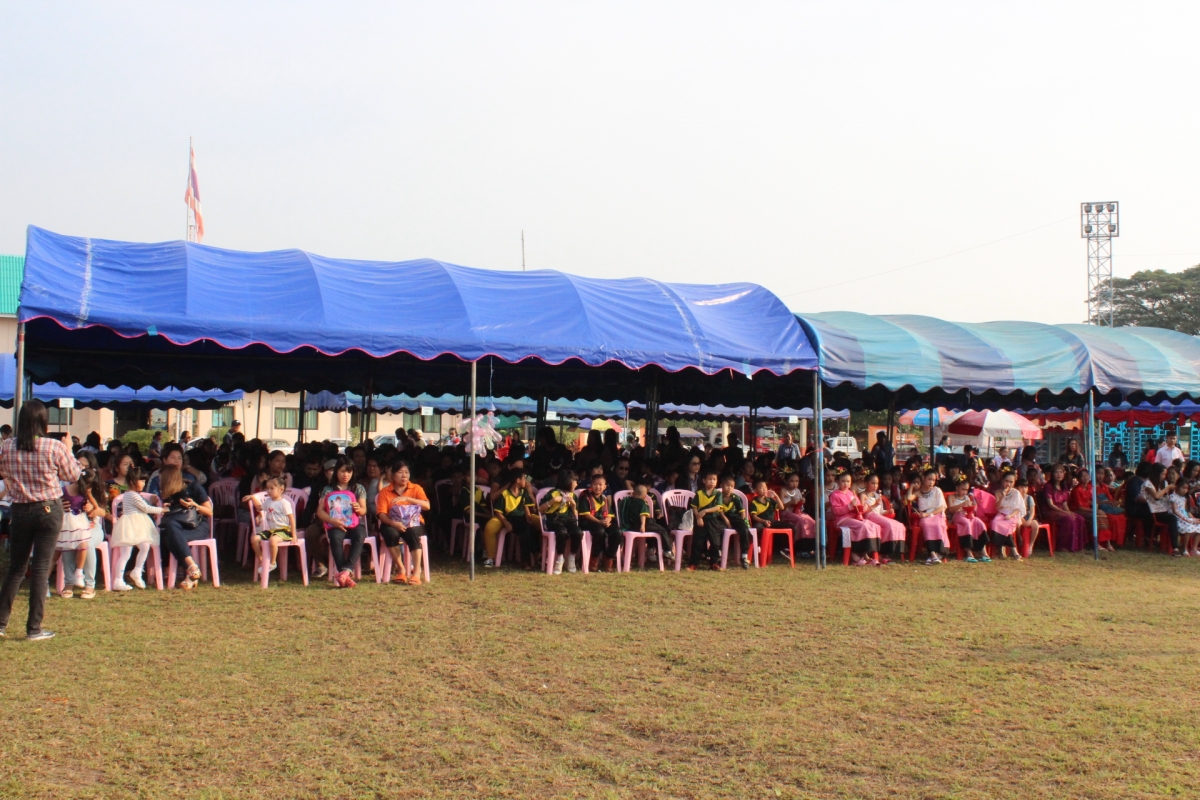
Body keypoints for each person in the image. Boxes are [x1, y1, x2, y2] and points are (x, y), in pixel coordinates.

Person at [0, 400, 83, 640]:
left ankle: (1, 623)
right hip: (48, 508)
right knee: (40, 568)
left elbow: (5, 473)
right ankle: (34, 628)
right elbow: (73, 474)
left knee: (16, 568)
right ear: (43, 421)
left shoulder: (8, 446)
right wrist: (69, 449)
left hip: (20, 509)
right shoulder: (54, 446)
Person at [60, 451, 109, 598]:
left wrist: (93, 509)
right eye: (78, 465)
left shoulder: (95, 486)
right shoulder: (67, 487)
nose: (81, 469)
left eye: (85, 466)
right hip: (72, 526)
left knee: (87, 542)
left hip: (93, 527)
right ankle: (69, 582)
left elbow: (103, 512)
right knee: (68, 541)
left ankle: (89, 585)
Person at [157, 464, 214, 590]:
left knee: (169, 537)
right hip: (179, 528)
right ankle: (192, 567)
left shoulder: (194, 487)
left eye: (161, 479)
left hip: (198, 526)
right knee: (170, 527)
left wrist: (194, 505)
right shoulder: (170, 494)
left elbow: (209, 512)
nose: (160, 483)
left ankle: (190, 571)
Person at [110, 467, 165, 591]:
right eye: (142, 481)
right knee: (125, 554)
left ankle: (137, 570)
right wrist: (162, 510)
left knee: (145, 546)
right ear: (133, 481)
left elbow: (143, 504)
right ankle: (118, 580)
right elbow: (146, 508)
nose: (144, 484)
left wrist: (152, 501)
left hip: (138, 526)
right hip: (129, 527)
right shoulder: (131, 495)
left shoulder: (134, 495)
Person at [376, 458, 429, 584]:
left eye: (406, 472)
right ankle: (401, 569)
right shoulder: (385, 492)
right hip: (392, 523)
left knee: (413, 532)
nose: (404, 475)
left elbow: (427, 506)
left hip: (413, 523)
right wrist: (393, 523)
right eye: (400, 472)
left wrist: (408, 499)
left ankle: (416, 572)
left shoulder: (416, 488)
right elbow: (381, 514)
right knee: (390, 533)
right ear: (393, 475)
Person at [318, 456, 369, 587]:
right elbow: (320, 511)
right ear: (336, 472)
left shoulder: (358, 488)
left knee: (360, 535)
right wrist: (332, 521)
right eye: (342, 471)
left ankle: (345, 572)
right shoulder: (328, 489)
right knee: (335, 537)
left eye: (349, 471)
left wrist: (358, 508)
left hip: (355, 523)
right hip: (335, 523)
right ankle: (345, 574)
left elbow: (364, 510)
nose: (346, 474)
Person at [828, 469, 881, 566]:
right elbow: (836, 511)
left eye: (848, 481)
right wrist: (849, 506)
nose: (846, 483)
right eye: (843, 481)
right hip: (842, 520)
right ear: (837, 481)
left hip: (854, 518)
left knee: (873, 526)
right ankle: (855, 554)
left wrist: (864, 507)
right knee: (862, 526)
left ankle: (868, 554)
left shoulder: (851, 493)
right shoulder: (834, 495)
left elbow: (859, 507)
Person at [250, 476, 296, 575]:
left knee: (273, 540)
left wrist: (294, 534)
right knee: (254, 539)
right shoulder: (268, 501)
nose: (269, 491)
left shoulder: (284, 503)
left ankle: (273, 562)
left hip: (283, 530)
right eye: (267, 488)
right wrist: (253, 497)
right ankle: (262, 560)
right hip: (272, 531)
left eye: (272, 488)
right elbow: (259, 508)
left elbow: (292, 519)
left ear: (281, 490)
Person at [620, 482, 673, 567]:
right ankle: (667, 550)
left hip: (628, 526)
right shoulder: (642, 503)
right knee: (662, 530)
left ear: (633, 493)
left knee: (653, 523)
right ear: (645, 496)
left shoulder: (626, 501)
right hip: (640, 525)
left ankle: (627, 560)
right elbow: (643, 515)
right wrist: (642, 525)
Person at [539, 470, 582, 574]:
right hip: (553, 519)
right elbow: (540, 509)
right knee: (561, 532)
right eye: (575, 481)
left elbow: (575, 514)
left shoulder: (573, 495)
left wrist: (573, 505)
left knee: (578, 532)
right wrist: (552, 501)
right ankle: (560, 558)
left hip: (568, 519)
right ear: (567, 481)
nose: (576, 484)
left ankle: (571, 557)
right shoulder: (553, 493)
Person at [858, 473, 906, 563]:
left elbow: (880, 512)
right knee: (889, 525)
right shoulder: (863, 495)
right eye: (872, 483)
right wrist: (875, 504)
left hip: (878, 516)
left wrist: (888, 511)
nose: (875, 486)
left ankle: (891, 552)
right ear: (866, 483)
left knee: (899, 525)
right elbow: (862, 510)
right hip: (869, 516)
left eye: (876, 483)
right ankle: (883, 553)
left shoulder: (877, 495)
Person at [906, 468, 949, 565]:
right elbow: (909, 497)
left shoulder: (937, 490)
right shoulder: (919, 492)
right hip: (925, 518)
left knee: (938, 525)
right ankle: (933, 554)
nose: (931, 482)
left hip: (937, 515)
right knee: (926, 524)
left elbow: (942, 507)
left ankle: (937, 554)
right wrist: (912, 486)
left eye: (933, 480)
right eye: (929, 479)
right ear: (923, 478)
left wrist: (929, 514)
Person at [1040, 464, 1087, 552]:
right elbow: (1050, 505)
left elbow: (1065, 504)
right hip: (1050, 511)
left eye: (1061, 472)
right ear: (1052, 474)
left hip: (1061, 510)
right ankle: (1064, 546)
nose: (1059, 475)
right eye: (1056, 472)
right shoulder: (1048, 486)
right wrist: (1066, 513)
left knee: (1080, 519)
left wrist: (1070, 512)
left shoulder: (1064, 487)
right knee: (1068, 519)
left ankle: (1078, 546)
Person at [579, 473, 619, 572]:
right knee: (600, 531)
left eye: (600, 485)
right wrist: (600, 522)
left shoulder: (604, 499)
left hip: (602, 522)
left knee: (617, 532)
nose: (598, 487)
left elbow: (610, 514)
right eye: (595, 484)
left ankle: (609, 557)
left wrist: (608, 520)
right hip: (589, 522)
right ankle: (595, 556)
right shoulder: (586, 497)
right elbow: (586, 515)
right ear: (591, 485)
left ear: (605, 487)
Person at [688, 470, 726, 571]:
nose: (712, 482)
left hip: (713, 520)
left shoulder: (718, 494)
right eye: (710, 479)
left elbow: (718, 507)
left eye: (714, 479)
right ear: (704, 481)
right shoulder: (699, 493)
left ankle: (714, 563)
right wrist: (698, 517)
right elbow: (694, 507)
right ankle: (693, 563)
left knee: (715, 542)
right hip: (701, 521)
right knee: (698, 542)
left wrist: (705, 511)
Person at [947, 476, 990, 562]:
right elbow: (950, 510)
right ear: (957, 488)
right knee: (967, 524)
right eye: (962, 489)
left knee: (980, 523)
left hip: (968, 515)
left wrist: (973, 505)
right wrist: (962, 504)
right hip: (958, 516)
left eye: (966, 490)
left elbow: (972, 510)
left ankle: (983, 552)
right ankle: (969, 553)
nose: (964, 492)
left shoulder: (967, 497)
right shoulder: (951, 497)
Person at [777, 471, 816, 557]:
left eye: (797, 481)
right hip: (786, 513)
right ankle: (799, 547)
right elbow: (781, 507)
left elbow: (800, 506)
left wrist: (802, 501)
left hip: (797, 512)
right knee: (800, 521)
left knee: (811, 521)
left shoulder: (797, 491)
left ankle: (810, 547)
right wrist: (790, 502)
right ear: (786, 481)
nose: (794, 483)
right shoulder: (783, 490)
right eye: (792, 481)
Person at [718, 475, 753, 569]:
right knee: (719, 530)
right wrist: (727, 522)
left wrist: (743, 521)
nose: (729, 488)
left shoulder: (735, 498)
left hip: (734, 518)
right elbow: (720, 512)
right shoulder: (718, 497)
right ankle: (719, 555)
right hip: (722, 518)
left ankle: (744, 556)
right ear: (721, 486)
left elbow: (742, 512)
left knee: (744, 530)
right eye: (727, 485)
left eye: (732, 486)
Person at [991, 470, 1024, 560]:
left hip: (1012, 515)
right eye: (1006, 481)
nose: (1008, 484)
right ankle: (1001, 547)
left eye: (1011, 482)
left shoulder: (1016, 493)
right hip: (1001, 514)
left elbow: (1018, 509)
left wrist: (1010, 516)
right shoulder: (998, 492)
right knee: (995, 522)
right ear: (1002, 481)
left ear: (1014, 482)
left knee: (1007, 526)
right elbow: (997, 507)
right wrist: (1002, 496)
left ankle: (1014, 551)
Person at [1169, 478, 1200, 556]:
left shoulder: (1184, 498)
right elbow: (1175, 511)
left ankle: (1194, 548)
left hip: (1185, 517)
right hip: (1178, 518)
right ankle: (1185, 549)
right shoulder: (1173, 496)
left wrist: (1194, 519)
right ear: (1177, 486)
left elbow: (1186, 511)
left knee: (1199, 525)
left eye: (1187, 488)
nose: (1185, 490)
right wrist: (1186, 519)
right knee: (1188, 527)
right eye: (1183, 488)